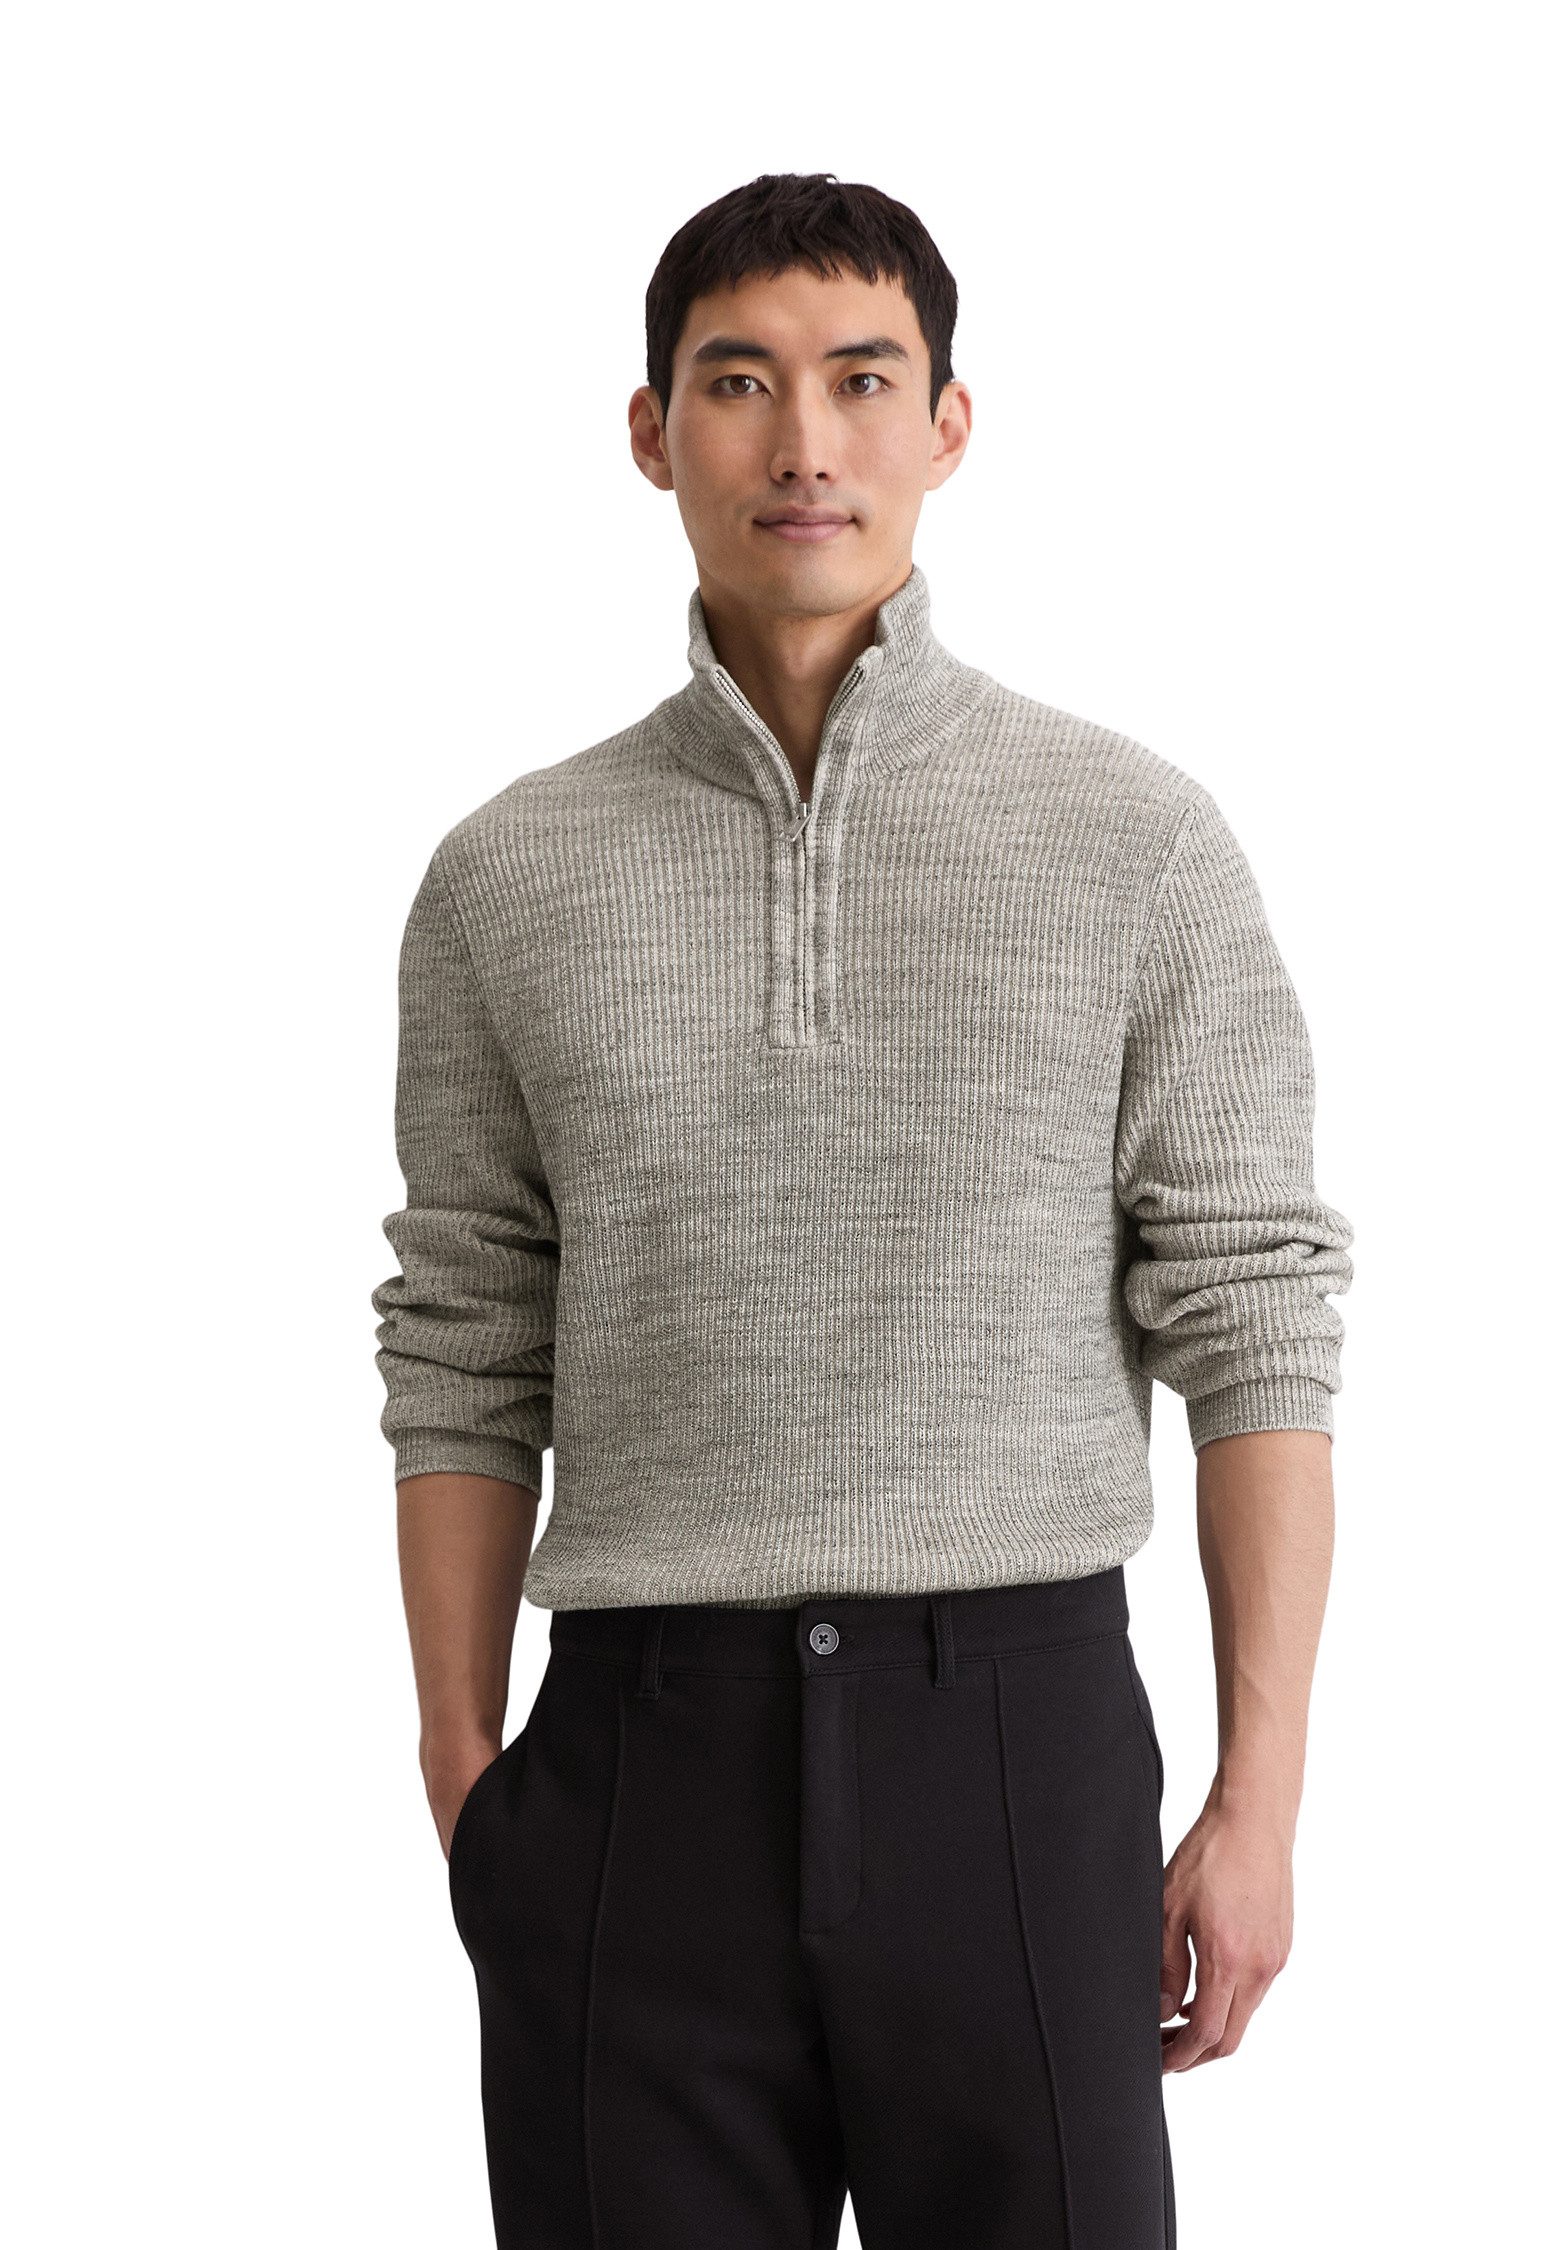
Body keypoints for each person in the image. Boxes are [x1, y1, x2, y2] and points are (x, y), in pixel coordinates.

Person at [371, 170, 1354, 2250]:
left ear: (947, 425)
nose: (802, 442)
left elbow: (1253, 1313)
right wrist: (466, 1771)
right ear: (652, 434)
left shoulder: (1133, 840)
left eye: (860, 380)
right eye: (737, 383)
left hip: (1012, 1744)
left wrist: (1255, 1799)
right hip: (633, 1763)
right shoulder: (508, 874)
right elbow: (463, 1325)